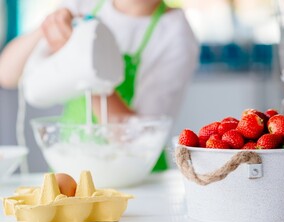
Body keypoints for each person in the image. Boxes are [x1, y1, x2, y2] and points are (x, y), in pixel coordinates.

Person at [0, 0, 199, 171]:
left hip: (136, 175)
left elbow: (135, 139)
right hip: (72, 163)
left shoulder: (176, 35)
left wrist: (81, 61)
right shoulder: (84, 5)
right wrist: (46, 27)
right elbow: (6, 74)